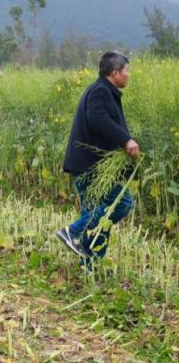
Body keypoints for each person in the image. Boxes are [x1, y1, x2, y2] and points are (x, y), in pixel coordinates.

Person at [56, 51, 139, 264]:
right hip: (89, 167)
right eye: (126, 70)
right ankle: (72, 231)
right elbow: (97, 119)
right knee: (122, 202)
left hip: (92, 167)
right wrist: (126, 140)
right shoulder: (100, 91)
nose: (129, 75)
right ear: (115, 73)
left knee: (98, 214)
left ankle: (90, 265)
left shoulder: (104, 91)